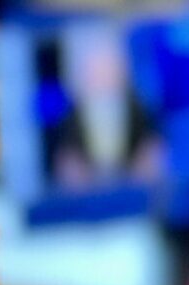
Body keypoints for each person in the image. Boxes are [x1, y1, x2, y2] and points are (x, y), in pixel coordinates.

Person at [44, 22, 163, 191]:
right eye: (98, 70)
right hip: (88, 191)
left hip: (131, 185)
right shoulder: (71, 114)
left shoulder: (139, 106)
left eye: (108, 68)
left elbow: (153, 141)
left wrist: (148, 160)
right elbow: (64, 153)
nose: (103, 76)